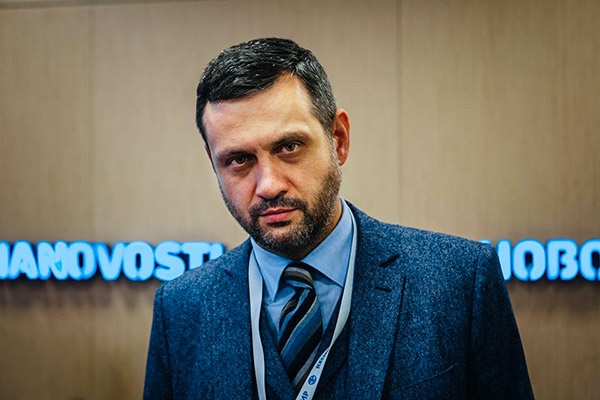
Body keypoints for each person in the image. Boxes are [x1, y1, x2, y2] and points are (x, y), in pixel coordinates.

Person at [143, 38, 534, 400]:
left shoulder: (459, 283)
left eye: (289, 147)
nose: (269, 185)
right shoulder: (180, 309)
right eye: (239, 159)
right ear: (214, 165)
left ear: (339, 139)